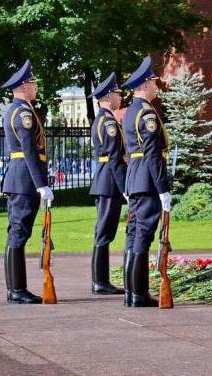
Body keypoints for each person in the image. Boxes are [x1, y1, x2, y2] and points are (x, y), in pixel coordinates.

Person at [0, 60, 54, 304]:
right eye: (33, 83)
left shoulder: (17, 110)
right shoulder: (23, 112)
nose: (36, 87)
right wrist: (41, 183)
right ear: (23, 86)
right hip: (24, 179)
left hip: (20, 177)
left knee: (17, 232)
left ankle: (15, 289)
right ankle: (17, 290)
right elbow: (30, 150)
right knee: (19, 234)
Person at [121, 56, 171, 307]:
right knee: (143, 235)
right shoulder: (146, 113)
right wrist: (163, 188)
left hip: (135, 179)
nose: (155, 85)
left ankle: (132, 293)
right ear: (143, 85)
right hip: (147, 181)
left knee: (134, 234)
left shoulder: (131, 111)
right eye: (153, 82)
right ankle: (139, 294)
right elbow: (152, 154)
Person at [88, 72, 128, 295]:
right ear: (108, 96)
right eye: (117, 93)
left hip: (106, 181)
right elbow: (114, 157)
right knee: (104, 232)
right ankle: (100, 282)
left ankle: (100, 281)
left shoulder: (103, 119)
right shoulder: (108, 121)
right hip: (109, 182)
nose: (120, 97)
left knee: (104, 231)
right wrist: (125, 189)